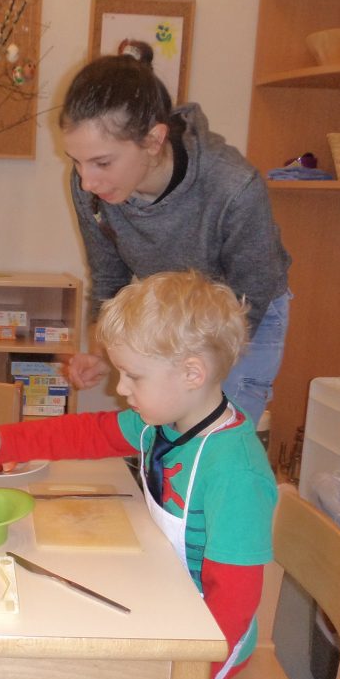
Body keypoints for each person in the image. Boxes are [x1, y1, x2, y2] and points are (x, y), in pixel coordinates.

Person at [0, 271, 277, 679]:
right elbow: (87, 433)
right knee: (58, 624)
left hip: (205, 644)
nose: (121, 389)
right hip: (166, 593)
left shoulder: (235, 473)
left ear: (192, 373)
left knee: (60, 658)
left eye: (134, 376)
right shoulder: (162, 425)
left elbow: (233, 605)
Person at [60, 40, 292, 424]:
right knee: (169, 431)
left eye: (102, 162)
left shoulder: (233, 186)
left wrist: (180, 368)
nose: (87, 181)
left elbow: (251, 294)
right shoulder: (91, 188)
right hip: (174, 311)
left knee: (216, 433)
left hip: (245, 311)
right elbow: (108, 278)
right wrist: (105, 351)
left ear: (154, 141)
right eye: (77, 162)